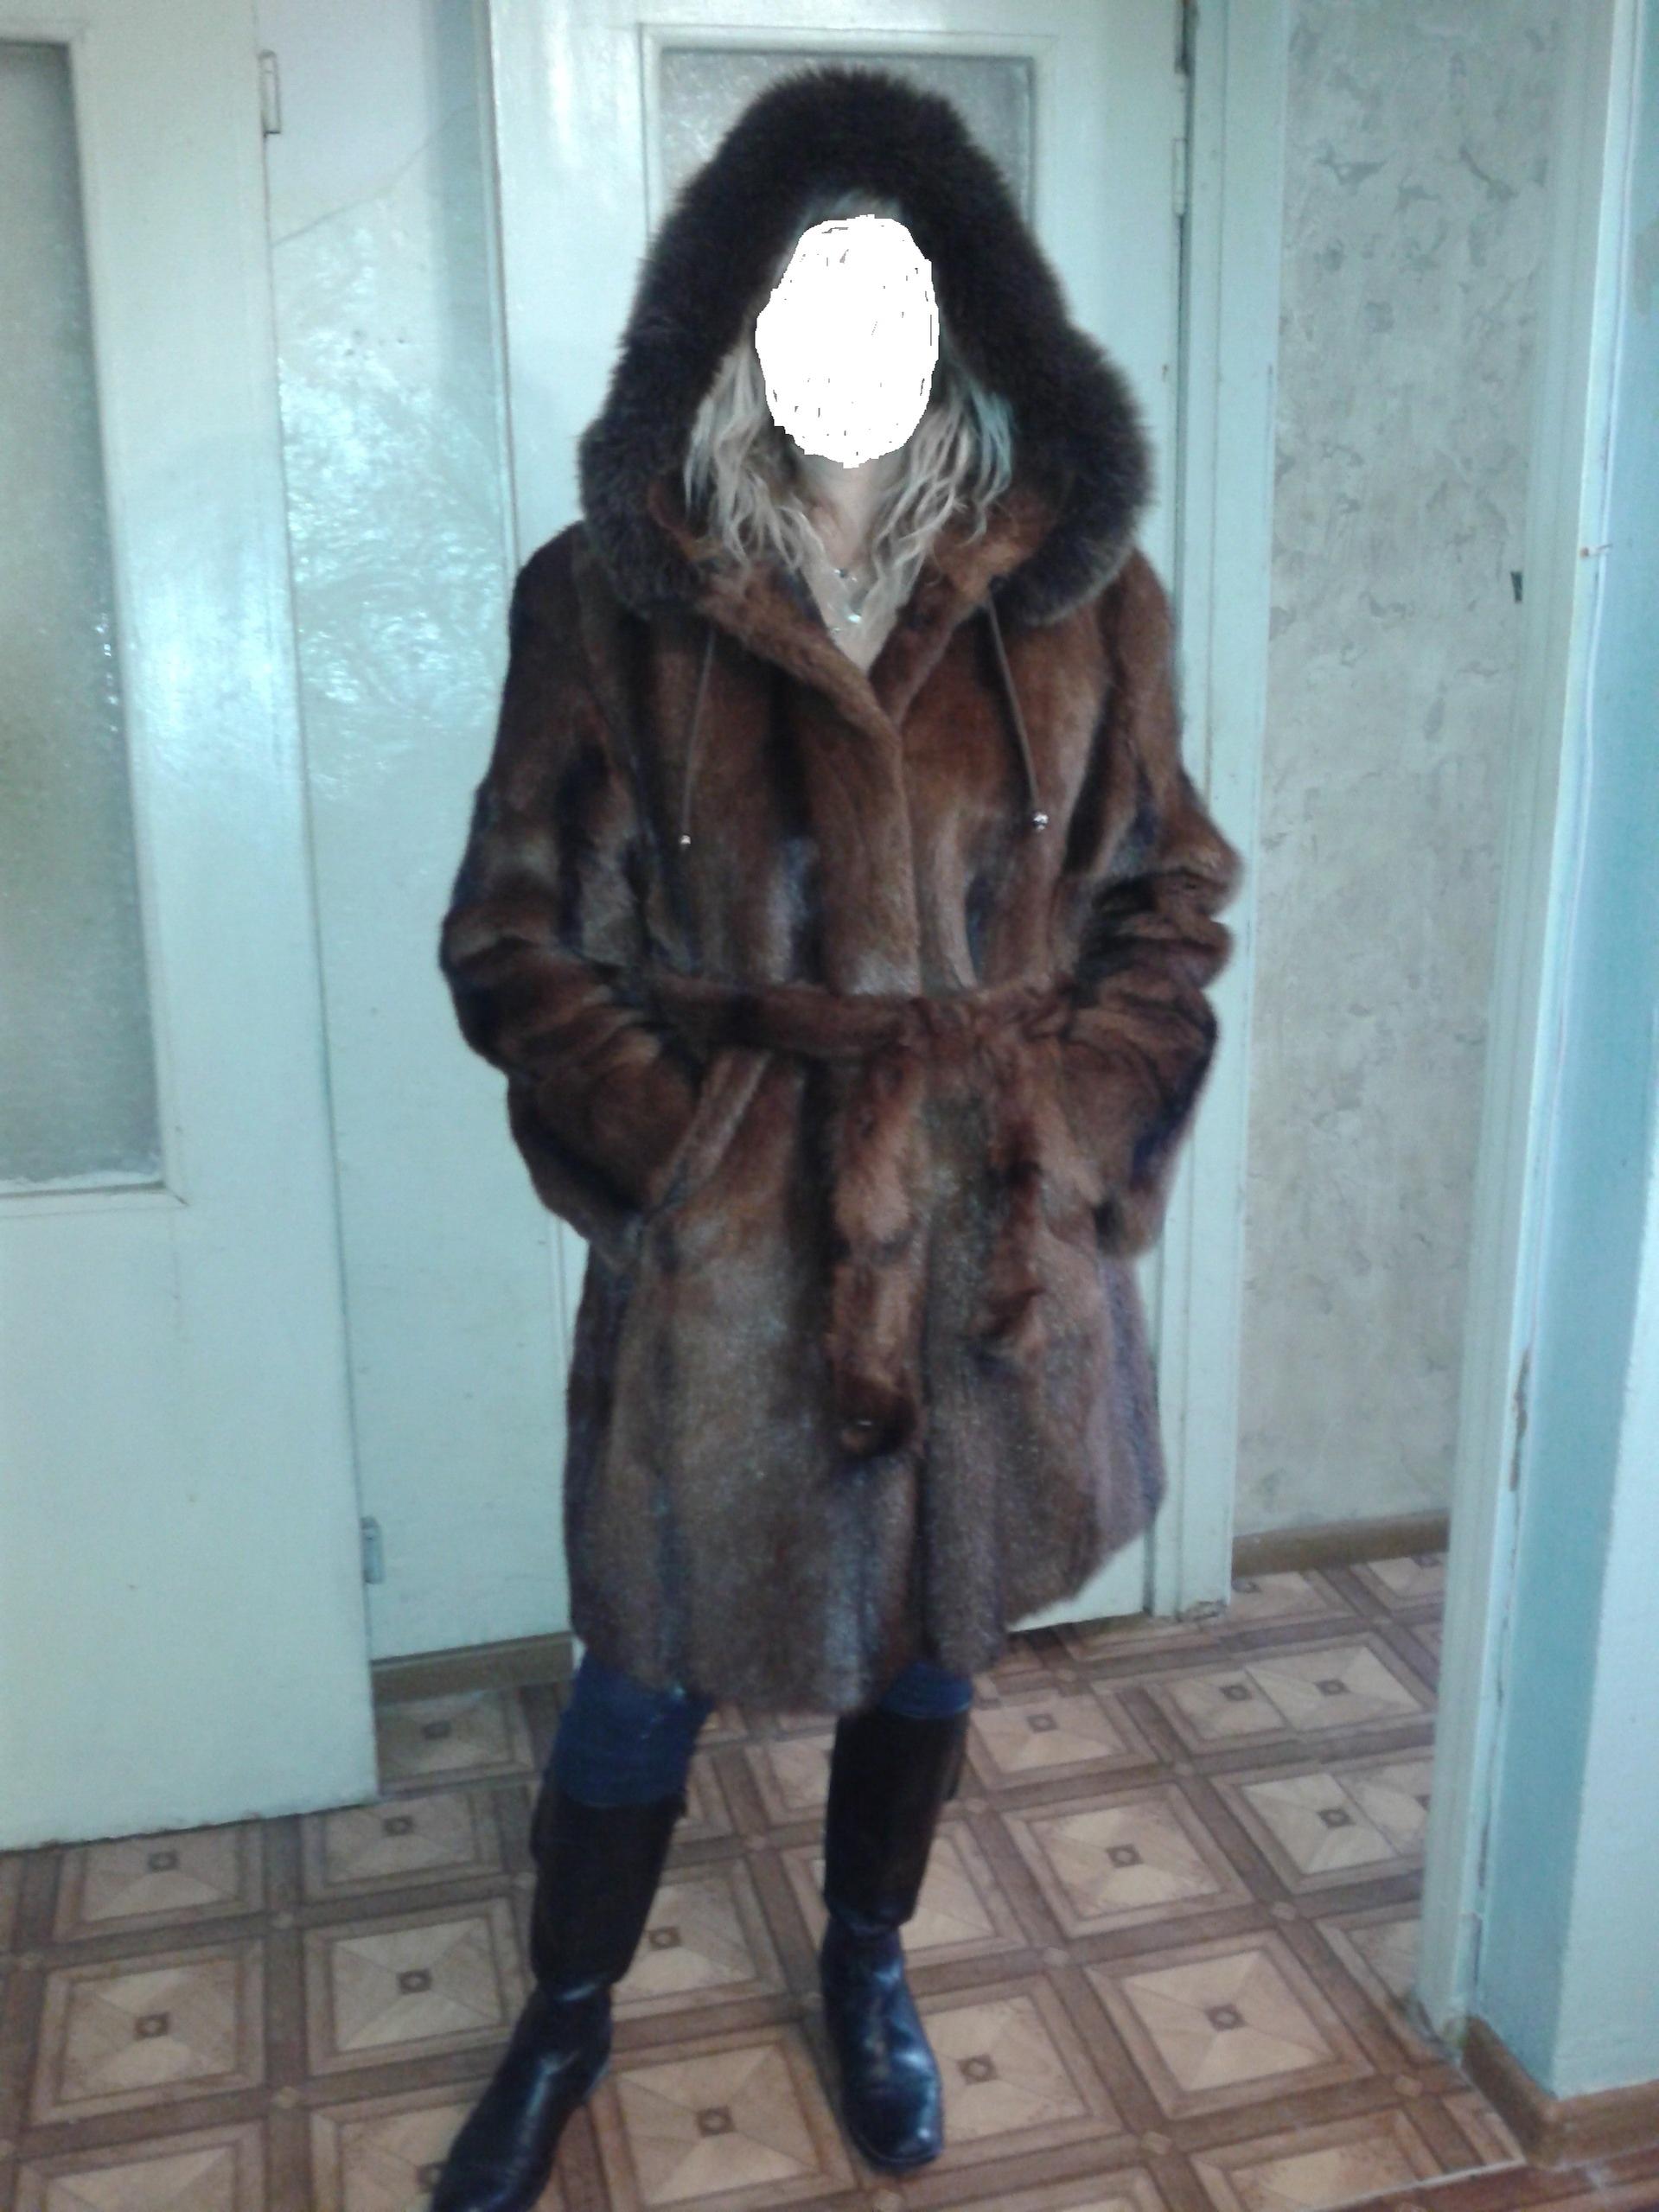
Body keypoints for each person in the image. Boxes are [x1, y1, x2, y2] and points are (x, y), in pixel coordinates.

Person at [431, 64, 1244, 2212]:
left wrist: (1071, 1123)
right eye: (808, 287)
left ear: (972, 319)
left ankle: (866, 1953)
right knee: (641, 1670)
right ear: (729, 320)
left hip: (989, 1229)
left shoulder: (1089, 603)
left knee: (935, 1633)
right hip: (736, 1241)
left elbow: (1172, 900)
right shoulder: (609, 601)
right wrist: (681, 1161)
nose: (854, 330)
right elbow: (515, 931)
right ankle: (568, 2011)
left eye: (898, 287)